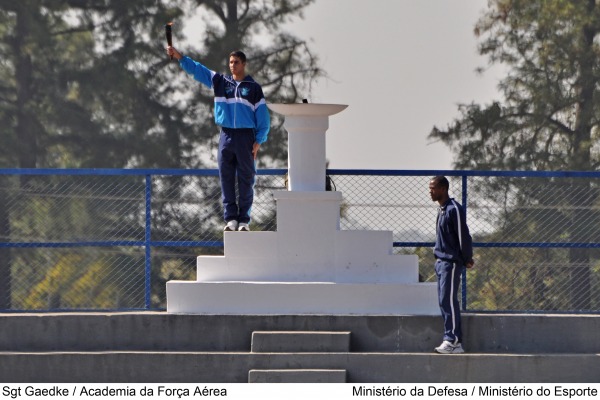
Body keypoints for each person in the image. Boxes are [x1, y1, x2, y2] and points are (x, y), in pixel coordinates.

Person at [167, 46, 270, 232]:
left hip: (246, 137)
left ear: (244, 64)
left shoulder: (254, 88)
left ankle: (244, 221)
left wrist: (259, 140)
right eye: (230, 62)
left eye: (236, 62)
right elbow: (198, 70)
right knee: (226, 177)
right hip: (227, 134)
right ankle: (231, 219)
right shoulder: (221, 82)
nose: (232, 66)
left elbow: (263, 116)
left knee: (247, 179)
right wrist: (180, 57)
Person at [429, 176, 474, 354]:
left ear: (443, 188)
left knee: (448, 300)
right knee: (443, 301)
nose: (430, 191)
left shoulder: (453, 209)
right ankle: (452, 340)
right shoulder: (441, 210)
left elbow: (464, 236)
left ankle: (453, 340)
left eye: (433, 188)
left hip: (451, 262)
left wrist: (466, 258)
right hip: (440, 263)